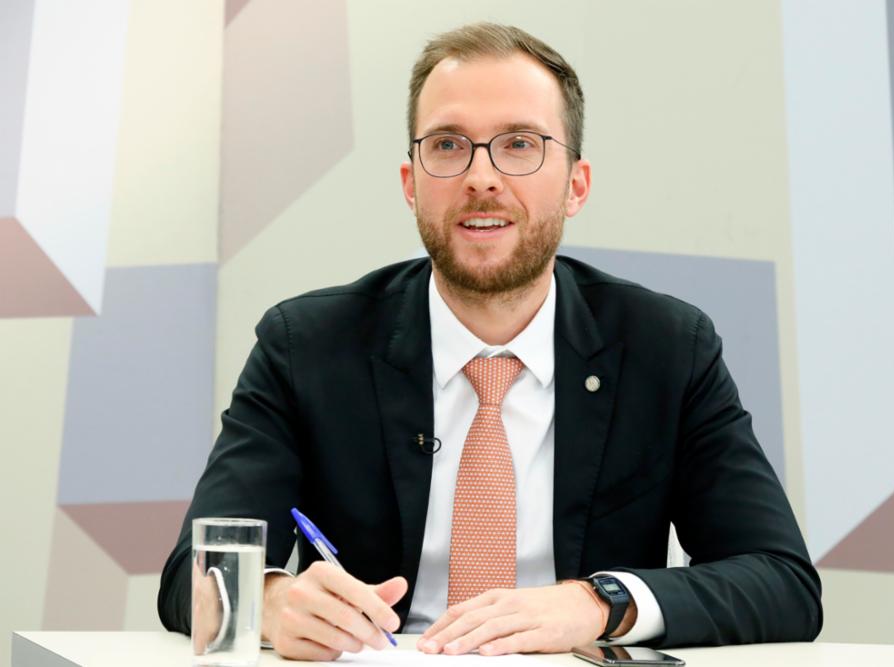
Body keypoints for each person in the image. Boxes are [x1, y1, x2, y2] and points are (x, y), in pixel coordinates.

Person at [158, 22, 822, 661]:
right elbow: (192, 572)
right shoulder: (306, 346)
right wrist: (273, 602)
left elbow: (782, 581)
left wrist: (598, 604)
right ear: (410, 183)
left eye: (520, 144)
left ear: (576, 187)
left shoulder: (666, 348)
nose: (482, 176)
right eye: (448, 145)